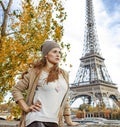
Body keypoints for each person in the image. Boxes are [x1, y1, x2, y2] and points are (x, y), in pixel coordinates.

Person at [12, 40, 79, 127]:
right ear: (46, 55)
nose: (58, 55)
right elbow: (16, 89)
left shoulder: (64, 74)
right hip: (36, 119)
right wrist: (26, 108)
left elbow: (65, 100)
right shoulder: (35, 73)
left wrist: (69, 121)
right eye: (54, 52)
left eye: (59, 52)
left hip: (54, 121)